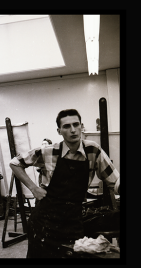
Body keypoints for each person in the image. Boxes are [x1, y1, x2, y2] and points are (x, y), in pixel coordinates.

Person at [9, 109, 120, 258]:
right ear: (59, 131)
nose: (73, 130)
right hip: (44, 221)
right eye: (67, 126)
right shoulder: (48, 151)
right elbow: (15, 163)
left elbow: (115, 181)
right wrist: (33, 188)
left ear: (82, 126)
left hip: (73, 219)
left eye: (76, 124)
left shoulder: (93, 150)